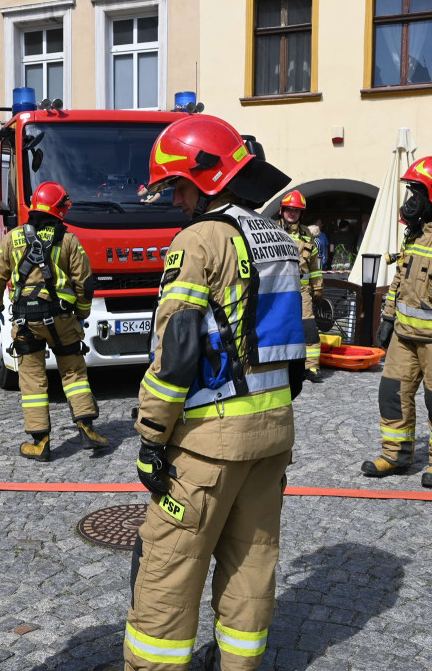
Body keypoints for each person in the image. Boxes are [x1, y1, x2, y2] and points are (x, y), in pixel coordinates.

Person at [126, 114, 305, 670]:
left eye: (177, 187)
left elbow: (176, 353)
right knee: (251, 565)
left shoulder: (198, 240)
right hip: (272, 437)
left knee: (168, 573)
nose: (175, 201)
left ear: (204, 179)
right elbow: (292, 351)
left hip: (206, 446)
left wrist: (152, 437)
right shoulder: (279, 238)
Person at [362, 156, 432, 488]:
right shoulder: (414, 233)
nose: (412, 200)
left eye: (417, 192)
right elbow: (400, 278)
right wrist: (386, 318)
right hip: (403, 335)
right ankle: (395, 454)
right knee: (391, 392)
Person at [0, 181, 109, 461]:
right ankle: (86, 427)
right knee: (74, 373)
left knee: (31, 380)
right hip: (63, 318)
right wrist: (82, 313)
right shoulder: (68, 240)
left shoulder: (13, 239)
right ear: (59, 210)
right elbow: (86, 284)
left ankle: (40, 442)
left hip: (26, 323)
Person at [276, 190, 324, 382]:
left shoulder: (307, 235)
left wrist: (318, 287)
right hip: (278, 290)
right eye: (289, 210)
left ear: (301, 214)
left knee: (309, 327)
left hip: (302, 290)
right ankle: (279, 364)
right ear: (282, 211)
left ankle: (311, 368)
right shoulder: (273, 231)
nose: (292, 213)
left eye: (296, 211)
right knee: (279, 326)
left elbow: (314, 264)